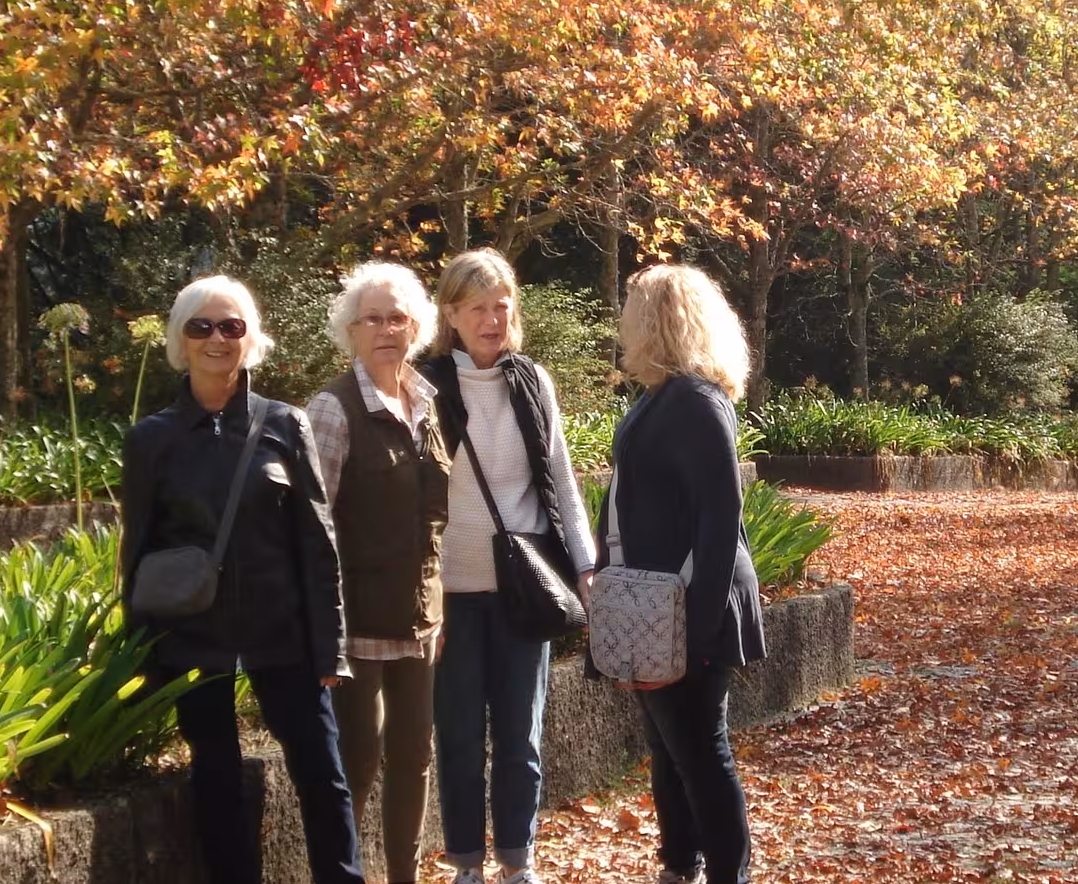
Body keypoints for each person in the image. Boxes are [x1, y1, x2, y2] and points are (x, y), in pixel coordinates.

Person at [118, 275, 364, 884]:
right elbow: (138, 550)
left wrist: (329, 644)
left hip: (281, 631)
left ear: (251, 338)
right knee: (216, 776)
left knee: (321, 772)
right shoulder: (151, 440)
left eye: (232, 326)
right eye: (201, 326)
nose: (217, 339)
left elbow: (318, 543)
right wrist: (141, 653)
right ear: (179, 339)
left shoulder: (285, 424)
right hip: (192, 634)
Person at [423, 249, 596, 884]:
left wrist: (586, 568)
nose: (494, 319)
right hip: (450, 593)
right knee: (460, 739)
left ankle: (517, 862)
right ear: (451, 315)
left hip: (524, 590)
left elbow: (560, 482)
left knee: (521, 738)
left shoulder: (532, 382)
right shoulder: (425, 386)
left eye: (502, 305)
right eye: (478, 308)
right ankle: (467, 863)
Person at [606, 264, 766, 884]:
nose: (623, 321)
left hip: (689, 604)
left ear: (656, 320)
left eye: (632, 308)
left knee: (701, 750)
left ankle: (727, 873)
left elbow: (720, 518)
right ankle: (680, 864)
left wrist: (697, 629)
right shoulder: (663, 395)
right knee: (669, 749)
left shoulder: (695, 402)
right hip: (657, 605)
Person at [305, 262, 450, 884]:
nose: (387, 329)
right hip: (355, 621)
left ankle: (404, 877)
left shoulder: (425, 399)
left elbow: (433, 518)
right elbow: (312, 528)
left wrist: (434, 605)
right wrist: (324, 630)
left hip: (419, 619)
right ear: (351, 331)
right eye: (373, 318)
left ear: (415, 326)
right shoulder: (331, 411)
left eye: (398, 317)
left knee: (415, 755)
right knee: (357, 760)